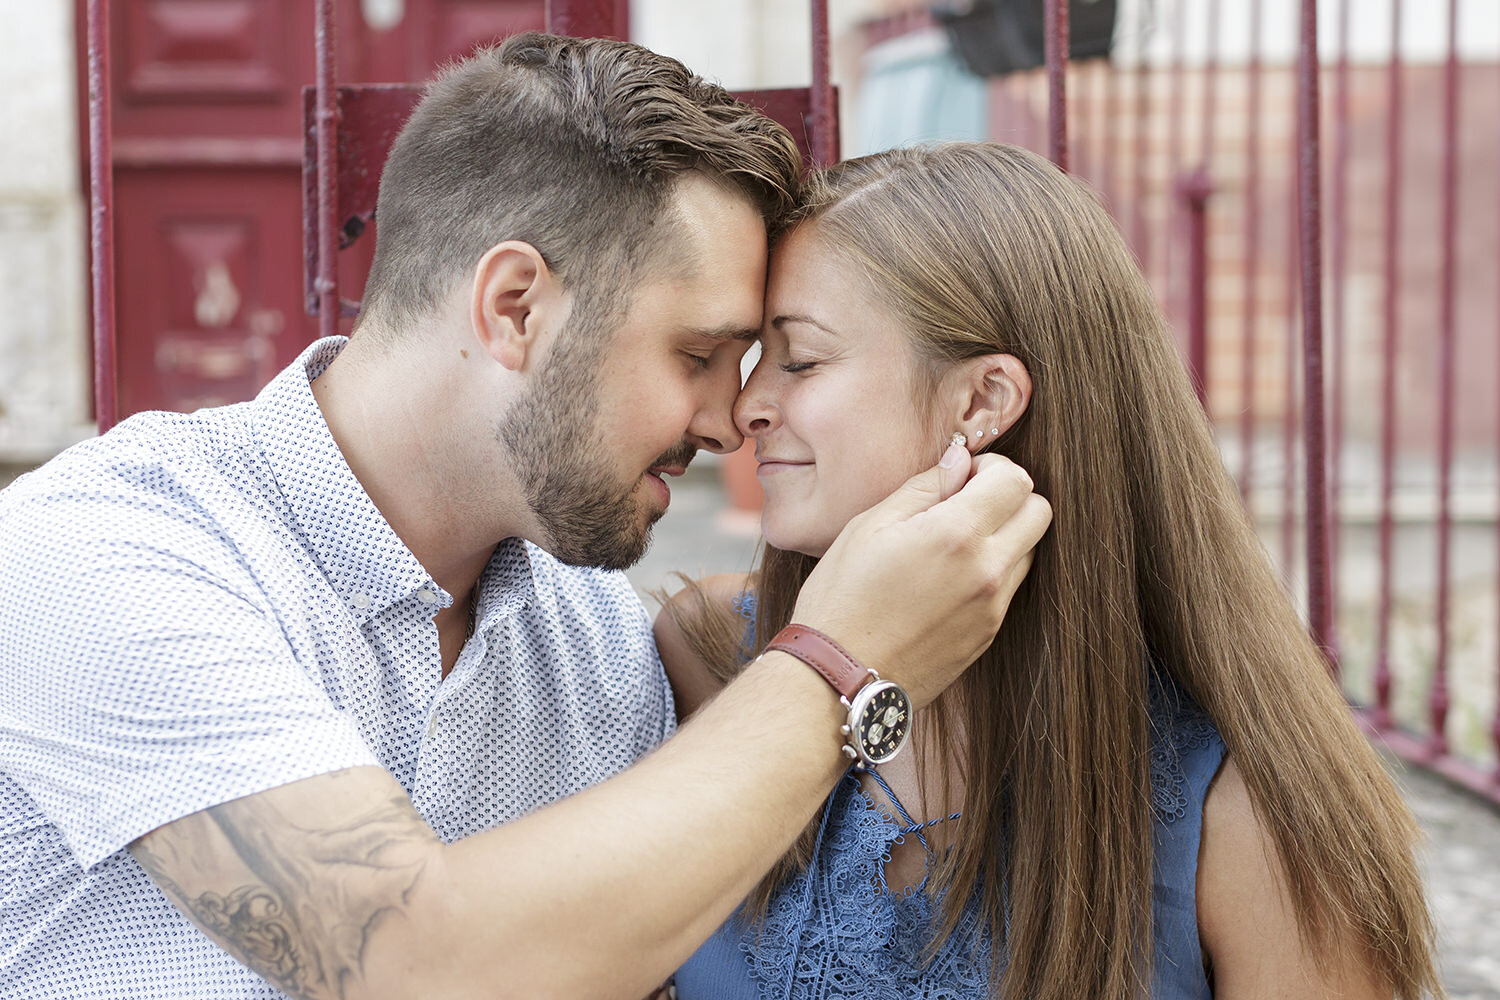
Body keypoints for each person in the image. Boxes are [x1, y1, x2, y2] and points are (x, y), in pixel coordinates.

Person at [0, 36, 1053, 1000]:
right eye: (696, 356)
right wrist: (845, 656)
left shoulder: (594, 645)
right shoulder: (103, 552)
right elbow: (405, 960)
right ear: (514, 306)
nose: (730, 421)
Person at [657, 142, 1442, 1000]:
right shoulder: (710, 661)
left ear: (983, 401)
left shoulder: (1245, 810)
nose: (744, 409)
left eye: (799, 359)